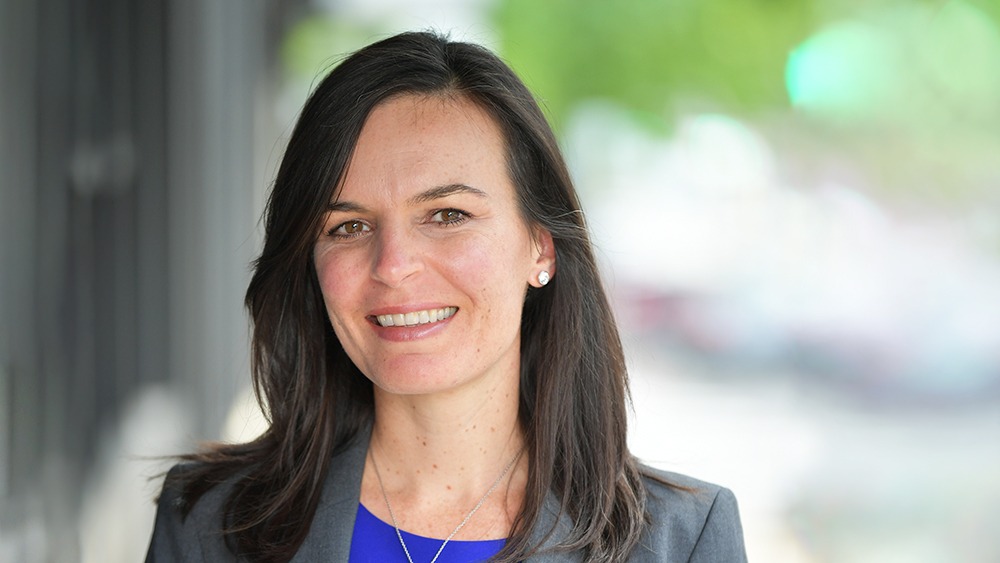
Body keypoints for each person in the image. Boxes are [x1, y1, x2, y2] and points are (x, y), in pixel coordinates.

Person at [145, 30, 747, 563]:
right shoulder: (209, 524)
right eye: (348, 227)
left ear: (541, 247)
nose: (394, 266)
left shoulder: (680, 542)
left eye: (447, 214)